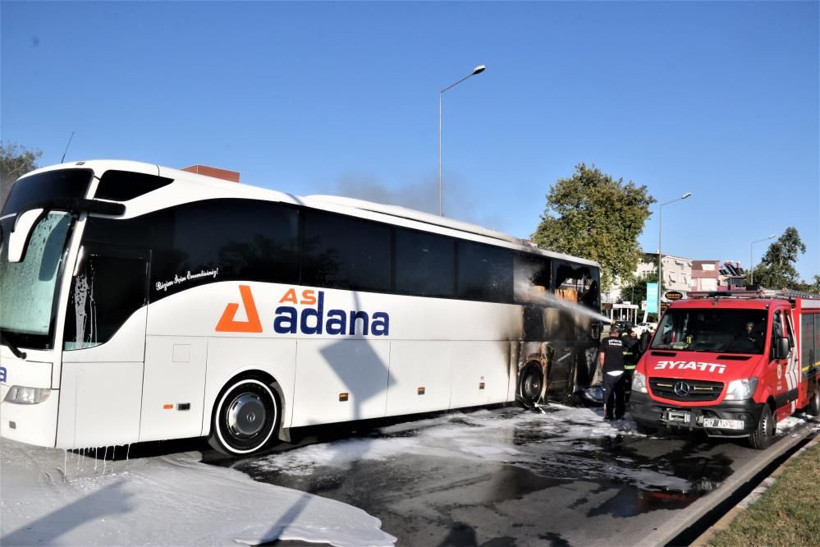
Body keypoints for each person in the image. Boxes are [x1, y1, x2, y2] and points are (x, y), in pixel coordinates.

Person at [598, 325, 626, 420]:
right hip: (620, 371)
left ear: (610, 333)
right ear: (617, 333)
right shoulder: (622, 341)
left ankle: (609, 415)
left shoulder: (605, 341)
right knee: (620, 394)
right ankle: (620, 415)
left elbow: (602, 356)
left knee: (608, 394)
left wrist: (603, 368)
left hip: (609, 371)